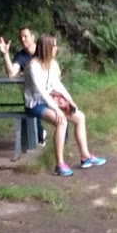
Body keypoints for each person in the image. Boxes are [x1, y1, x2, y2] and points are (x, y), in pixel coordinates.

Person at [23, 33, 106, 176]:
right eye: (54, 46)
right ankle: (59, 165)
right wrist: (58, 110)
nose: (56, 48)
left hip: (49, 101)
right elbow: (42, 92)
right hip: (35, 104)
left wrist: (70, 100)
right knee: (61, 122)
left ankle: (85, 157)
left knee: (80, 117)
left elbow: (57, 85)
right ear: (46, 48)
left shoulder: (51, 64)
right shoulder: (33, 66)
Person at [0, 27, 46, 144]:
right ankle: (39, 135)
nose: (23, 39)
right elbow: (12, 73)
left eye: (25, 36)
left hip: (48, 87)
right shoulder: (21, 56)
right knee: (32, 105)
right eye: (20, 37)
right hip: (34, 93)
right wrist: (6, 55)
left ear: (33, 38)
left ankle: (64, 137)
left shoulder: (42, 50)